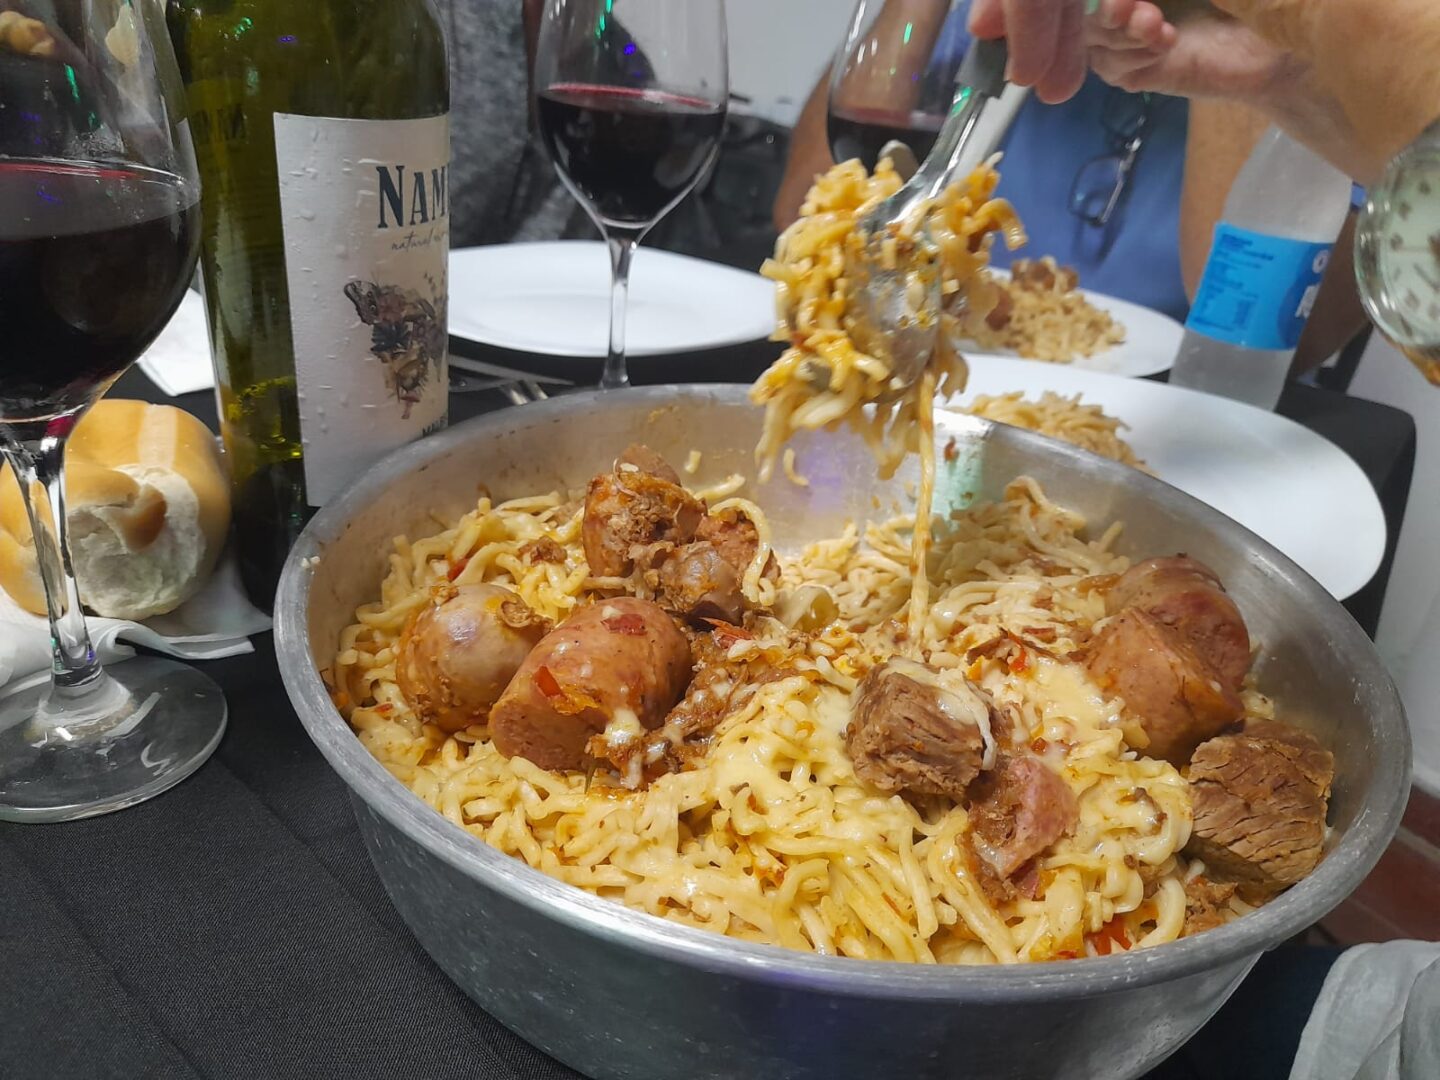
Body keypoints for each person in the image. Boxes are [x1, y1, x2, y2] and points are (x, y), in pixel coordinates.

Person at [774, 0, 1364, 366]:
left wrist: (1237, 27)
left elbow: (1267, 337)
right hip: (962, 391)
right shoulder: (995, 22)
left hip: (1184, 435)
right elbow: (808, 223)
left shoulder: (1333, 55)